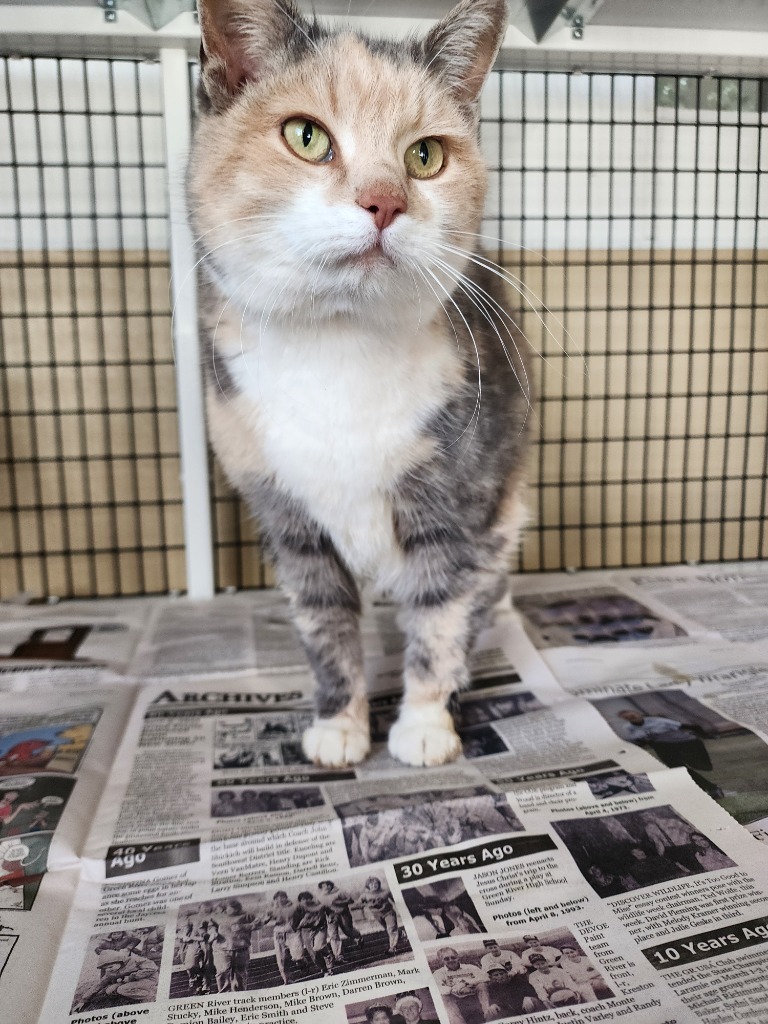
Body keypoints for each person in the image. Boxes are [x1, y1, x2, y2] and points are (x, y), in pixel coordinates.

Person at [616, 709, 724, 798]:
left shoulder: (658, 721)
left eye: (633, 715)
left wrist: (707, 735)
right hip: (663, 747)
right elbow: (639, 740)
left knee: (703, 766)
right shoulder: (628, 728)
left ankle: (708, 786)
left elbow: (692, 727)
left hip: (685, 742)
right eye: (628, 718)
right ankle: (710, 788)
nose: (632, 718)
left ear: (638, 714)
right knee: (679, 769)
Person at [73, 949, 158, 1011]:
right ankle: (133, 996)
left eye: (110, 966)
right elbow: (99, 985)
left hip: (148, 979)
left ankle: (150, 994)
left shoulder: (135, 960)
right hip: (131, 982)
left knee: (122, 989)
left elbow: (152, 968)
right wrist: (83, 1000)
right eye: (107, 968)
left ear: (118, 960)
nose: (110, 969)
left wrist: (132, 977)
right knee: (110, 990)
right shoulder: (111, 972)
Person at [209, 898, 259, 991]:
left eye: (236, 908)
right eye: (230, 908)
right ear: (225, 908)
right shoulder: (217, 916)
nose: (234, 910)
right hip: (222, 949)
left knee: (240, 974)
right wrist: (213, 932)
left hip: (241, 949)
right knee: (223, 971)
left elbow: (259, 923)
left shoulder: (247, 915)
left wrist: (245, 926)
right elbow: (210, 925)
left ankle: (239, 995)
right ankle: (224, 995)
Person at [433, 947, 489, 1024]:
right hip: (454, 998)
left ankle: (488, 1013)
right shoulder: (439, 973)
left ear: (457, 957)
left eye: (453, 957)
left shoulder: (469, 967)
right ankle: (458, 1022)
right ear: (441, 960)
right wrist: (453, 989)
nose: (451, 960)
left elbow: (485, 977)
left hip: (473, 993)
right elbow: (437, 988)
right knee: (444, 997)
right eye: (446, 959)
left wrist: (466, 983)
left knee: (482, 985)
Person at [318, 880, 362, 962]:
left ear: (331, 885)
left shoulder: (339, 892)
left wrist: (339, 902)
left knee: (348, 931)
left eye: (328, 885)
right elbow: (319, 908)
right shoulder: (320, 897)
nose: (326, 887)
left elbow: (350, 900)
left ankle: (358, 937)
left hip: (343, 913)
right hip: (331, 916)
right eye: (323, 886)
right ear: (321, 888)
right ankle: (339, 956)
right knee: (333, 935)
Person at [358, 877, 400, 956]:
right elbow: (358, 904)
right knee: (389, 929)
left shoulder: (386, 892)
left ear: (379, 884)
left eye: (376, 883)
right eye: (371, 884)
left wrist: (400, 909)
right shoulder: (365, 895)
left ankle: (392, 948)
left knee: (391, 930)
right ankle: (400, 934)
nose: (374, 885)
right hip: (377, 915)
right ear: (368, 886)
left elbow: (396, 900)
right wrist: (365, 905)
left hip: (388, 913)